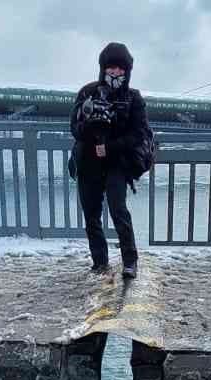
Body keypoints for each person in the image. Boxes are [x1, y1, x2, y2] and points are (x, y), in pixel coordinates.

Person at [70, 42, 150, 279]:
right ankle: (100, 262)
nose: (115, 74)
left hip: (116, 163)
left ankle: (130, 261)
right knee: (91, 215)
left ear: (127, 71)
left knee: (118, 209)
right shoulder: (87, 93)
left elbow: (139, 133)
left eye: (120, 69)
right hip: (88, 162)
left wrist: (111, 147)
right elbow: (74, 128)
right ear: (103, 68)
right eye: (111, 68)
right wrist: (89, 124)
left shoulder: (134, 98)